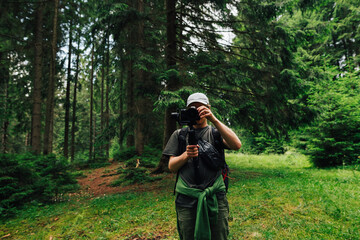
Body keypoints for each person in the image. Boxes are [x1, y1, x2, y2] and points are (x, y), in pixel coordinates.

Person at [163, 93, 242, 240]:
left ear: (208, 109)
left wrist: (215, 120)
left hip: (215, 198)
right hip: (187, 199)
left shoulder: (215, 133)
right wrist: (186, 155)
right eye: (193, 108)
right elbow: (171, 167)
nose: (197, 111)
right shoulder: (179, 135)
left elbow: (237, 145)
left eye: (201, 108)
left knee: (219, 236)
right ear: (187, 111)